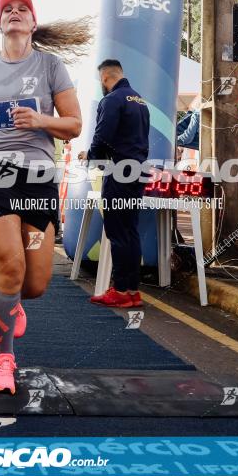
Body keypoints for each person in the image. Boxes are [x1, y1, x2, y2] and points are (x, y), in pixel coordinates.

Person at [0, 0, 91, 394]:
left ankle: (10, 304)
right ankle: (3, 358)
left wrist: (41, 120)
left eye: (22, 8)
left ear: (32, 22)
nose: (14, 12)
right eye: (7, 9)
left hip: (38, 179)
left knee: (34, 284)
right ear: (0, 23)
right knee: (10, 266)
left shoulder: (51, 67)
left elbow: (75, 125)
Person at [80, 60, 150, 309]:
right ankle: (132, 291)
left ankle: (120, 290)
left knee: (118, 232)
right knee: (130, 231)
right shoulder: (139, 100)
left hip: (119, 172)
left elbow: (102, 136)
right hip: (138, 171)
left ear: (105, 78)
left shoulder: (111, 100)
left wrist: (92, 157)